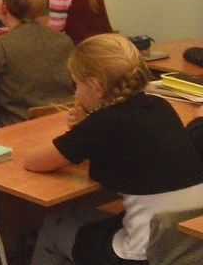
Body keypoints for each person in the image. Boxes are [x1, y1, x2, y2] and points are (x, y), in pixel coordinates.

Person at [24, 34, 203, 265]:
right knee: (74, 214)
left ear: (97, 87)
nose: (75, 93)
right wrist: (87, 125)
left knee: (52, 225)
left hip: (145, 254)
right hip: (187, 244)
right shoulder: (160, 106)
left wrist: (84, 127)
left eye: (76, 84)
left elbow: (33, 161)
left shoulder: (102, 123)